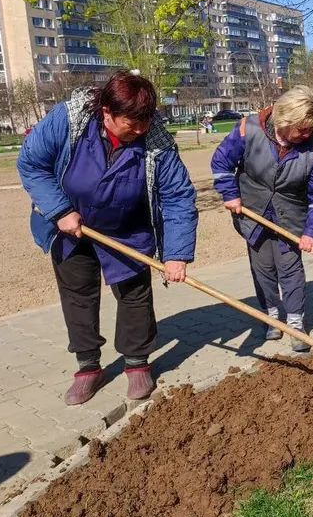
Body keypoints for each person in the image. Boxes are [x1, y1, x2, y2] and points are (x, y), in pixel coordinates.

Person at [17, 71, 198, 405]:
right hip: (71, 224)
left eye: (146, 121)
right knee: (78, 295)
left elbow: (177, 195)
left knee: (135, 295)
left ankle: (137, 363)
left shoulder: (154, 136)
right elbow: (31, 164)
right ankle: (88, 367)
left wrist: (176, 253)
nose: (141, 129)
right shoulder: (69, 119)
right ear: (107, 113)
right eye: (132, 122)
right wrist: (59, 210)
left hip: (128, 227)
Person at [210, 87, 313, 352]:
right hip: (252, 212)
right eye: (302, 129)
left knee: (290, 268)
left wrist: (311, 231)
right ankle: (271, 317)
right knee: (263, 267)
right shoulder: (248, 128)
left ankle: (296, 323)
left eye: (310, 128)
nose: (307, 134)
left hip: (290, 215)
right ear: (284, 122)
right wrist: (230, 194)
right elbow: (221, 162)